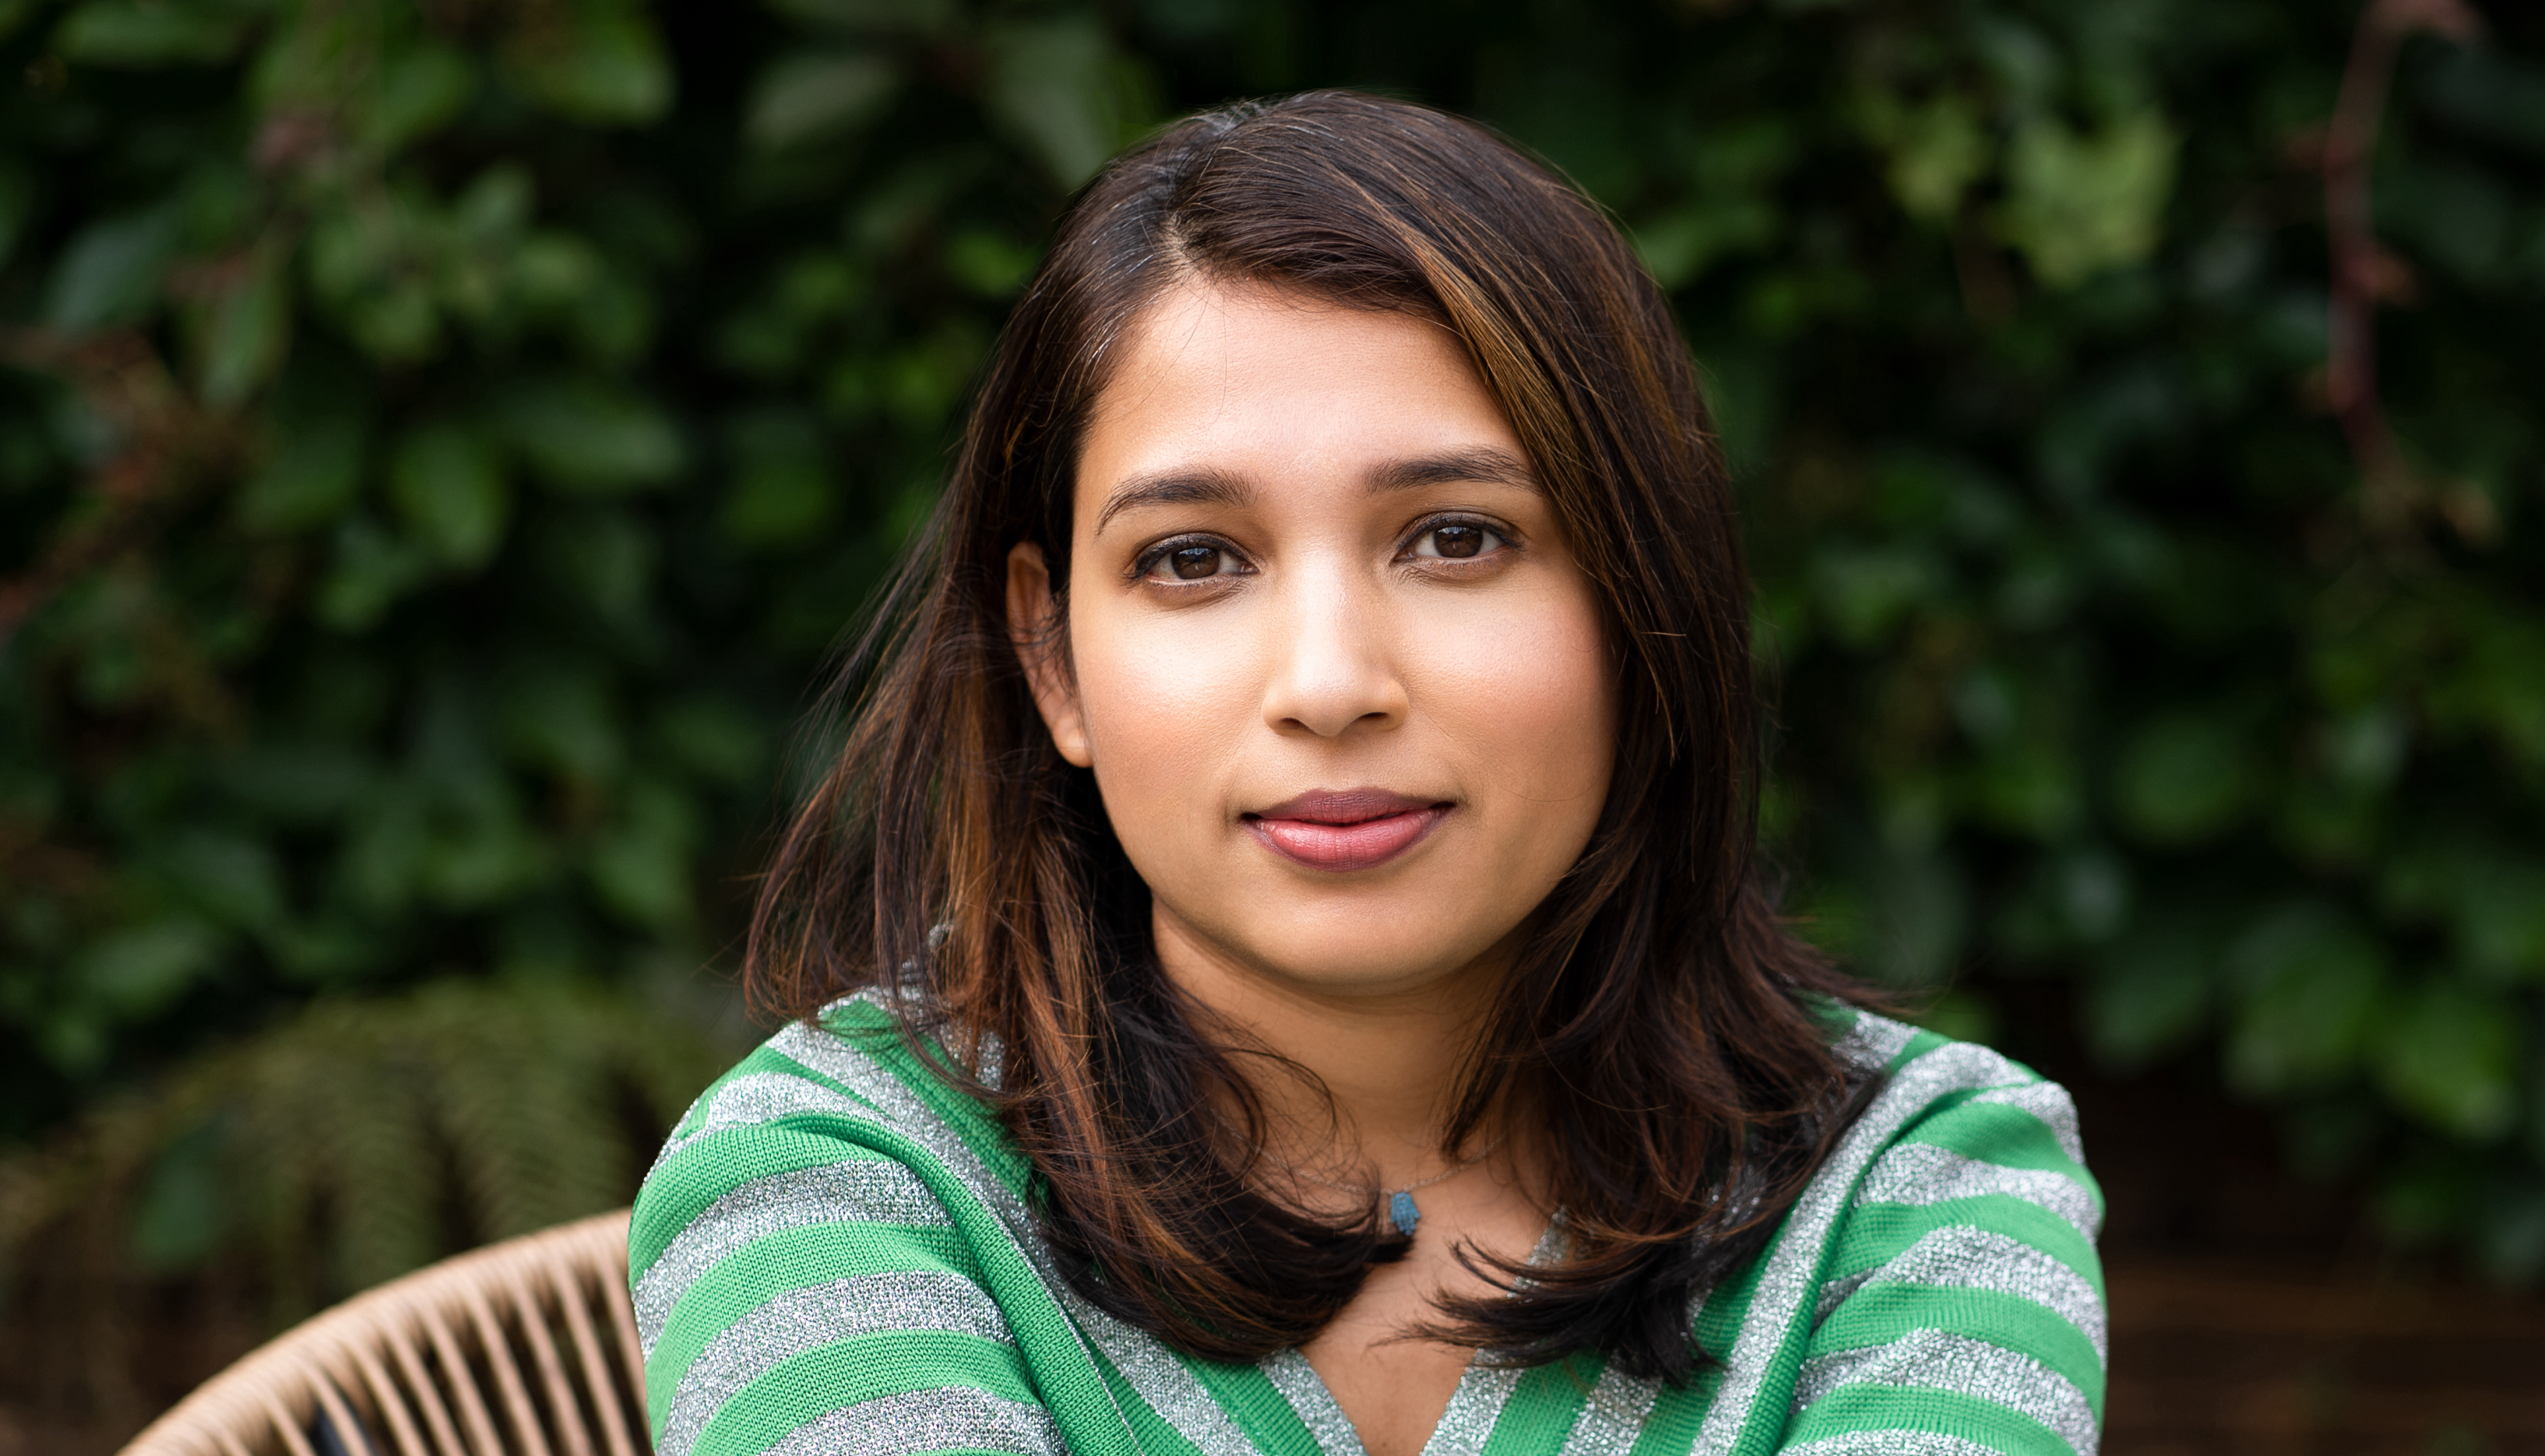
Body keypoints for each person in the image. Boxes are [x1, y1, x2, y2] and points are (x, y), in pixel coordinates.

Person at [628, 91, 2104, 1456]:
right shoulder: (831, 1180)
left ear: (1639, 608)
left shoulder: (1919, 1190)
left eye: (1456, 537)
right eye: (1193, 559)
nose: (1330, 683)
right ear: (1055, 659)